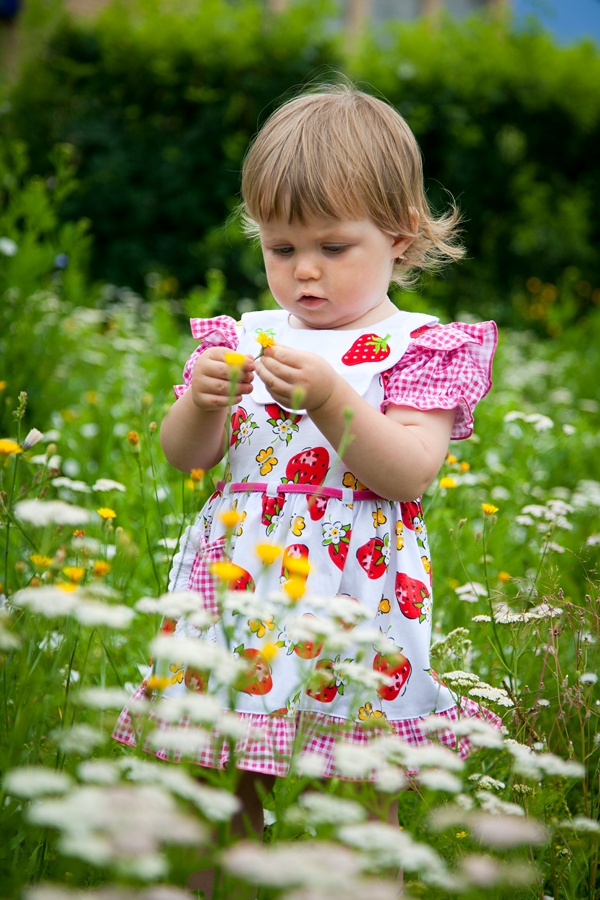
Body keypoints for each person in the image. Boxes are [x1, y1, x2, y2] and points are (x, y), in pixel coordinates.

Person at [113, 82, 500, 883]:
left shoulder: (416, 345)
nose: (304, 273)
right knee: (211, 772)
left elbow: (407, 472)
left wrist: (329, 397)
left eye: (332, 247)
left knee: (358, 787)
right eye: (282, 250)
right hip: (238, 585)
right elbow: (187, 457)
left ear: (399, 239)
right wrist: (199, 403)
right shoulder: (246, 336)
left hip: (355, 601)